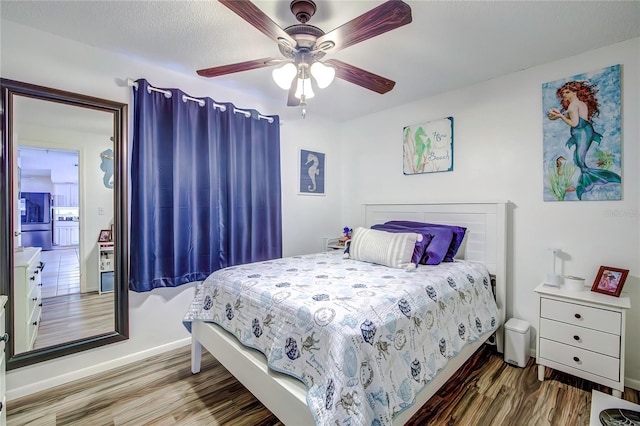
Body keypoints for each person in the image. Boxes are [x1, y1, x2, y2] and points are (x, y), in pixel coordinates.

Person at [547, 81, 620, 200]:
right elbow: (573, 118)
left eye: (567, 92)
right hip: (585, 131)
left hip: (581, 133)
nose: (564, 95)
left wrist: (561, 116)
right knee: (577, 159)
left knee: (580, 162)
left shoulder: (572, 106)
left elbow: (574, 123)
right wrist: (557, 115)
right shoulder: (579, 103)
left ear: (575, 92)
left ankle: (592, 179)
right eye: (563, 93)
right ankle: (589, 179)